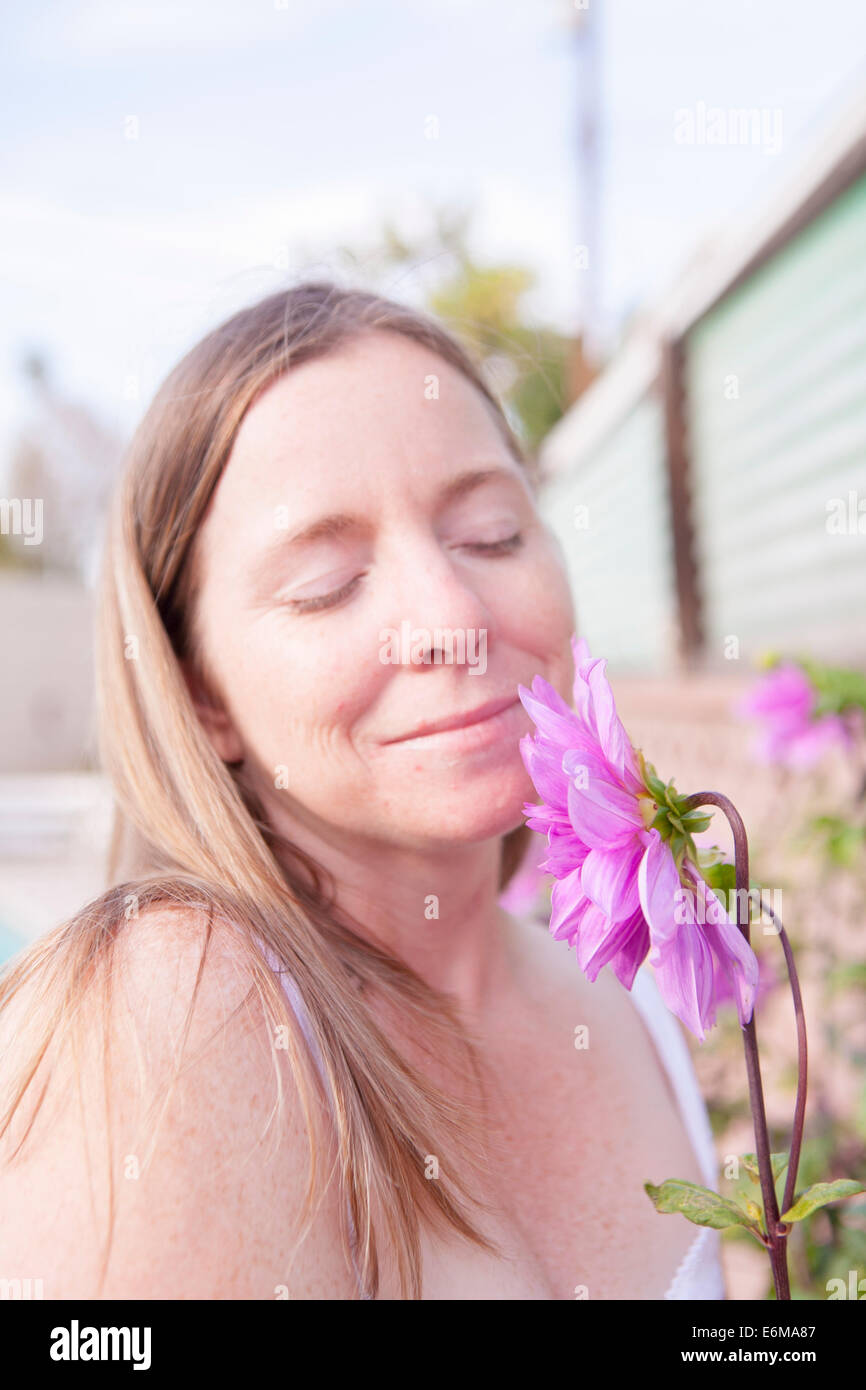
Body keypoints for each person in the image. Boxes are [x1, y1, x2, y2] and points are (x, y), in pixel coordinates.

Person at [0, 281, 723, 1299]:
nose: (448, 616)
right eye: (326, 583)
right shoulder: (175, 1005)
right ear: (201, 692)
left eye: (490, 534)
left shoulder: (631, 992)